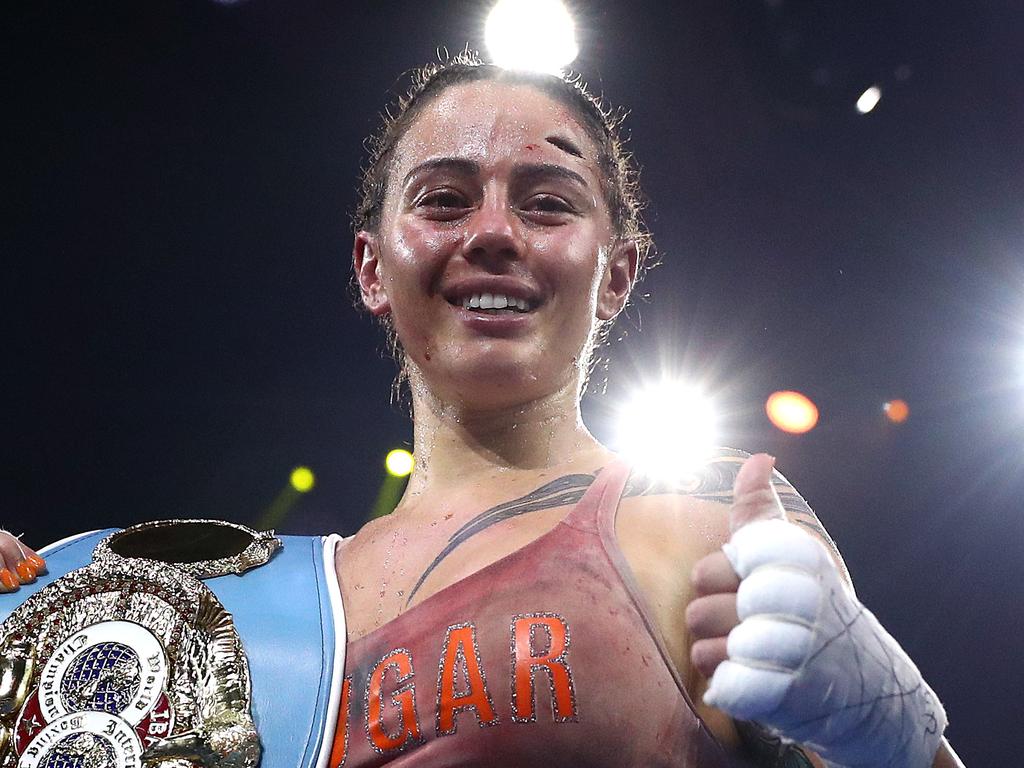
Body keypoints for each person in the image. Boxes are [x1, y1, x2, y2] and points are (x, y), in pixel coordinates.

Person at [3, 53, 965, 767]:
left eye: (548, 202)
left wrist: (894, 732)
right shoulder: (246, 603)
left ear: (616, 273)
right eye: (445, 198)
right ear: (372, 269)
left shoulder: (708, 530)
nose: (495, 232)